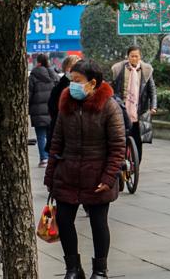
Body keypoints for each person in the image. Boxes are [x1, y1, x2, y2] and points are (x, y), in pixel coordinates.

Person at [45, 59, 125, 279]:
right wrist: (50, 175)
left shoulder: (109, 106)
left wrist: (108, 178)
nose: (72, 86)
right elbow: (56, 142)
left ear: (92, 83)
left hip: (97, 174)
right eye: (71, 80)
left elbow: (118, 147)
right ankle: (73, 269)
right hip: (68, 173)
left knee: (98, 223)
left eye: (77, 81)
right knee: (63, 219)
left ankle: (100, 270)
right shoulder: (66, 104)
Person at [110, 46, 157, 164]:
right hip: (123, 110)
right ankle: (124, 162)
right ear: (128, 57)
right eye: (132, 56)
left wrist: (154, 106)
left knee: (138, 140)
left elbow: (152, 90)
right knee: (122, 139)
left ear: (140, 57)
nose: (135, 58)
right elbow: (112, 88)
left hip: (140, 110)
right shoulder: (119, 69)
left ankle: (136, 164)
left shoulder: (146, 70)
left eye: (137, 56)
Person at [29, 53, 58, 167]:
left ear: (38, 62)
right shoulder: (54, 75)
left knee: (41, 136)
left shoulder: (33, 76)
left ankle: (44, 159)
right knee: (52, 135)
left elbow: (29, 95)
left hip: (38, 111)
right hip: (52, 111)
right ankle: (52, 158)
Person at [47, 55, 80, 149]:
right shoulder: (60, 87)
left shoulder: (86, 87)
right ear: (67, 69)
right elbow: (53, 108)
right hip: (63, 134)